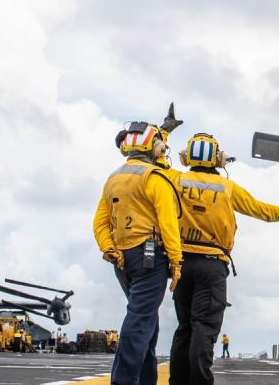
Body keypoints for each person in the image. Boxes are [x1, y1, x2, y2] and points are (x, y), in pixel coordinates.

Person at [169, 133, 279, 385]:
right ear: (218, 159)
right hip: (211, 264)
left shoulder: (174, 180)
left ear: (186, 157)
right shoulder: (227, 188)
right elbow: (262, 211)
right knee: (204, 328)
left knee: (184, 329)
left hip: (180, 265)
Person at [93, 118, 184, 385]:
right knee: (140, 321)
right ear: (154, 148)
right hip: (150, 258)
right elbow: (168, 223)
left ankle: (146, 380)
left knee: (147, 322)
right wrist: (176, 261)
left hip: (122, 259)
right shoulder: (154, 178)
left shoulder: (114, 179)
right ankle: (123, 381)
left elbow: (99, 222)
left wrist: (109, 248)